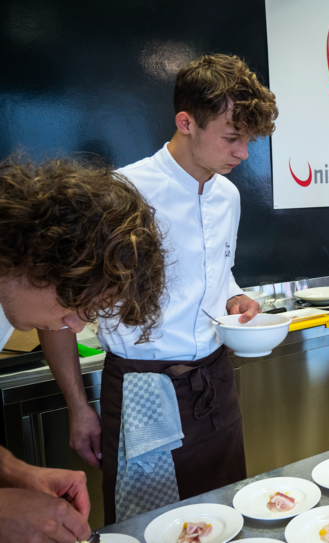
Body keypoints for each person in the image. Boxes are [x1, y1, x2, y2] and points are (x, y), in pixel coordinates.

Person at [38, 53, 278, 524]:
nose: (243, 154)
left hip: (215, 384)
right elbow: (56, 310)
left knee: (226, 518)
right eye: (232, 137)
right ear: (186, 122)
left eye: (248, 139)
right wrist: (78, 407)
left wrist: (234, 298)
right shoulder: (121, 194)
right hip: (143, 390)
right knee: (151, 527)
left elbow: (217, 276)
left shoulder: (227, 196)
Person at [0, 156, 167, 542]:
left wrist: (14, 472)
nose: (74, 326)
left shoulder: (11, 306)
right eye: (75, 304)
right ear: (37, 257)